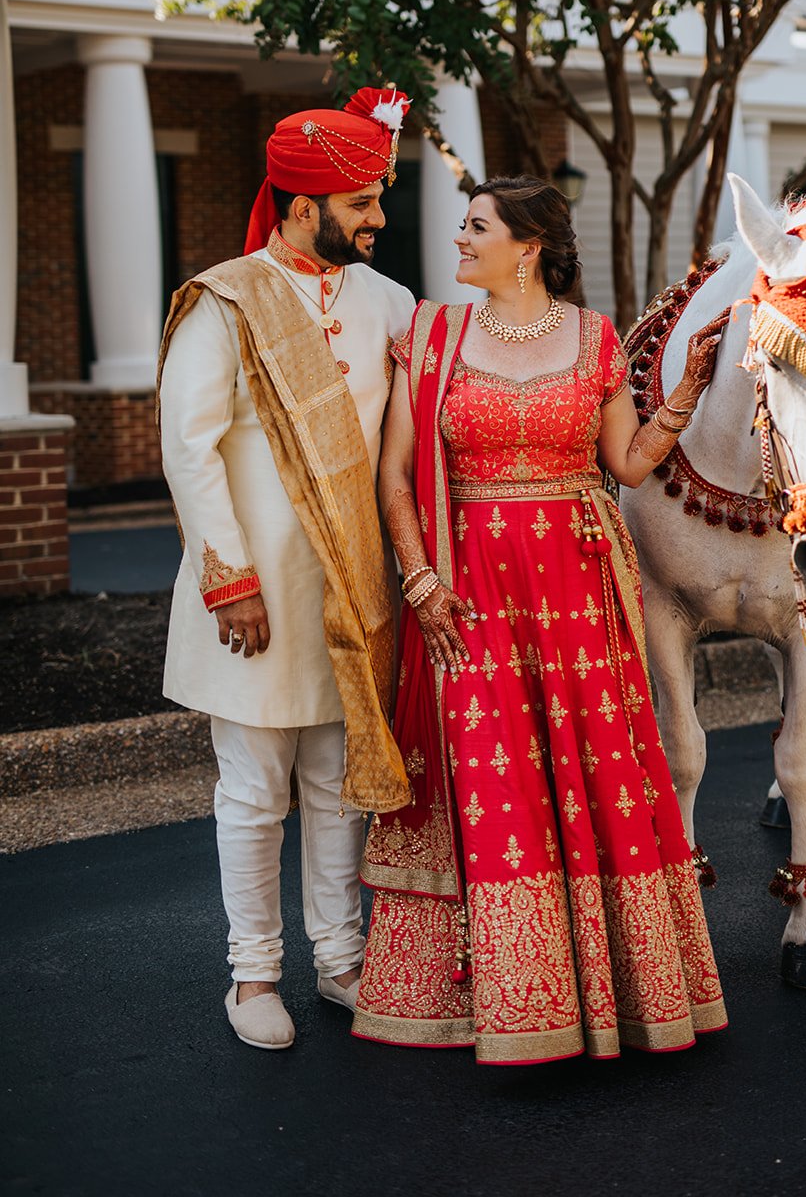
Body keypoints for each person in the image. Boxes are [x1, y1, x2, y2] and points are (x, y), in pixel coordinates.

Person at [352, 175, 727, 1065]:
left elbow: (628, 467)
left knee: (591, 776)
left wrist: (687, 391)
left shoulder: (594, 338)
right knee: (496, 780)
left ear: (526, 244)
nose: (458, 239)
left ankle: (620, 993)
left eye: (475, 227)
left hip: (577, 587)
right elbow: (395, 474)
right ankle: (520, 1002)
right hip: (472, 585)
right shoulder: (432, 335)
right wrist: (418, 579)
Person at [157, 87, 416, 1051]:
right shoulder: (228, 298)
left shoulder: (390, 303)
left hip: (353, 589)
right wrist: (230, 578)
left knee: (337, 784)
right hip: (254, 596)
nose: (380, 218)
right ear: (304, 204)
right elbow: (187, 446)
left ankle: (340, 960)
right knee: (255, 790)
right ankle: (253, 973)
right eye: (362, 203)